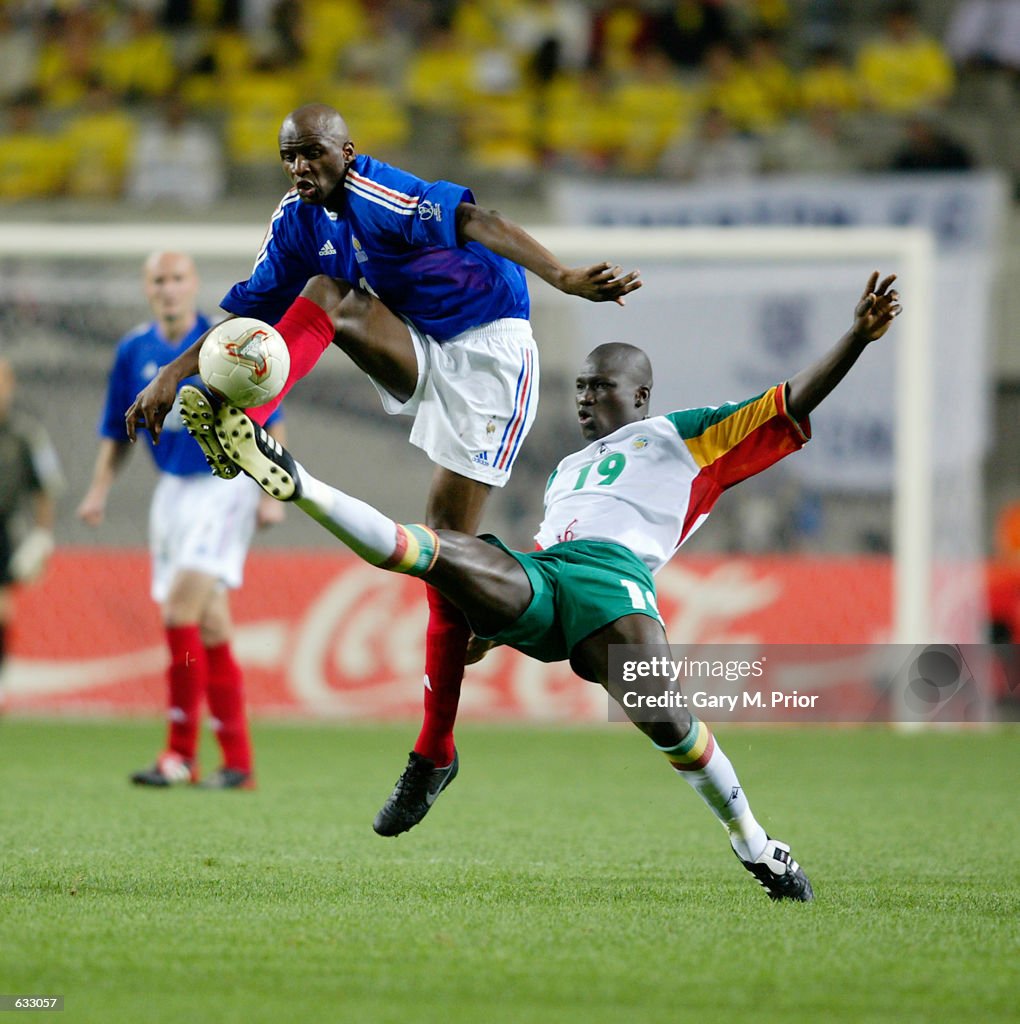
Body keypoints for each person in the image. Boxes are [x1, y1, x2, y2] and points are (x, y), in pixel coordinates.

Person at [179, 272, 901, 899]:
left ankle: (754, 842)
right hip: (547, 578)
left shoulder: (689, 436)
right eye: (580, 388)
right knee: (433, 553)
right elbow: (545, 548)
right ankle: (290, 475)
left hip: (616, 584)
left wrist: (857, 338)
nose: (586, 400)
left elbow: (789, 400)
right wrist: (489, 626)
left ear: (642, 393)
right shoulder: (563, 473)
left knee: (672, 729)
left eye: (602, 388)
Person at [124, 103, 641, 830]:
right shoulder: (296, 220)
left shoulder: (379, 191)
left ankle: (436, 748)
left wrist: (560, 275)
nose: (301, 167)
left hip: (491, 351)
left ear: (347, 151)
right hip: (419, 343)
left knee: (445, 558)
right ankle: (251, 426)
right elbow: (248, 311)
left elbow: (476, 219)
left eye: (313, 153)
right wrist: (178, 374)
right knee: (319, 296)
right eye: (289, 157)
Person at [78, 251, 286, 790]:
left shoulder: (221, 347)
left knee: (178, 612)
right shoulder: (134, 350)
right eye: (158, 281)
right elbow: (115, 430)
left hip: (225, 486)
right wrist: (99, 490)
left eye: (177, 279)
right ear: (148, 289)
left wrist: (271, 493)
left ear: (193, 285)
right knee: (210, 625)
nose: (168, 289)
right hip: (171, 493)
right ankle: (238, 763)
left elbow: (271, 417)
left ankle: (179, 754)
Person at [0, 358, 62, 693]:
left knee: (2, 608)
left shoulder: (25, 436)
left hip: (3, 526)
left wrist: (42, 535)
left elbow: (45, 486)